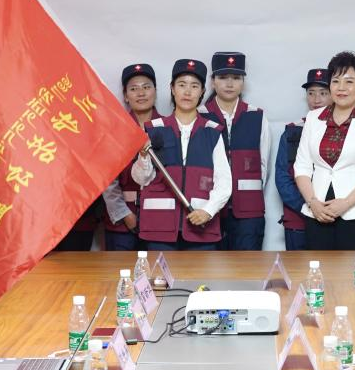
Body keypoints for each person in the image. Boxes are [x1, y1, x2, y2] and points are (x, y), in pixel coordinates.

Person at [293, 51, 355, 251]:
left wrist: (345, 204)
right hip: (317, 211)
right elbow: (302, 166)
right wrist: (312, 202)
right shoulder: (314, 118)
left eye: (349, 82)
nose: (341, 88)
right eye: (336, 81)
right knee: (317, 268)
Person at [132, 58, 231, 251]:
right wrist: (143, 156)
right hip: (158, 228)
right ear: (172, 88)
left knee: (201, 273)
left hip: (200, 227)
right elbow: (141, 179)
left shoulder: (213, 131)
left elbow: (224, 181)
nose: (187, 92)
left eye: (194, 86)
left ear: (202, 91)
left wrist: (208, 211)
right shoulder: (153, 129)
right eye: (182, 85)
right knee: (158, 273)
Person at [201, 52, 271, 251]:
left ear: (243, 82)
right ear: (213, 82)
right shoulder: (200, 115)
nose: (230, 84)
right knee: (210, 265)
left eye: (236, 78)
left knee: (247, 266)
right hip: (208, 207)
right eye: (223, 77)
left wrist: (246, 196)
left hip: (249, 212)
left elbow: (263, 166)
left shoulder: (257, 116)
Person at [103, 63, 161, 251]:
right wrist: (124, 213)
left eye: (146, 87)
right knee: (120, 269)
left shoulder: (169, 128)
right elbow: (107, 180)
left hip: (160, 221)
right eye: (134, 89)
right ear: (126, 96)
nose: (141, 93)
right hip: (122, 223)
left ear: (155, 92)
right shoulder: (115, 131)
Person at [275, 68, 331, 251]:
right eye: (311, 93)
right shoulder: (292, 131)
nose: (316, 99)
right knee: (296, 267)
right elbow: (282, 177)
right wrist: (306, 206)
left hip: (333, 215)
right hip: (297, 217)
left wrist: (328, 209)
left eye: (323, 93)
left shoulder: (346, 130)